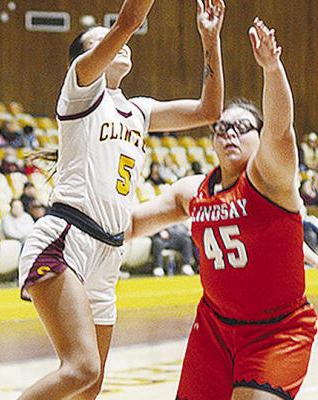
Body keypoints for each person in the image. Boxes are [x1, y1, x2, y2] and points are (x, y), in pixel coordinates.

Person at [18, 0, 225, 398]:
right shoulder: (80, 87)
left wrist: (210, 40)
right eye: (103, 42)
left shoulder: (138, 111)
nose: (120, 45)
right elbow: (130, 20)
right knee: (80, 368)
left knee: (89, 387)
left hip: (109, 252)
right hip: (66, 239)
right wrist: (121, 29)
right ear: (89, 57)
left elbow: (208, 109)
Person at [127, 18, 317, 400]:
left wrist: (271, 68)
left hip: (276, 330)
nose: (229, 132)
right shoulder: (192, 190)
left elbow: (281, 129)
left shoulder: (270, 179)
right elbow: (130, 224)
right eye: (222, 127)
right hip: (214, 327)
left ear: (257, 137)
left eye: (242, 127)